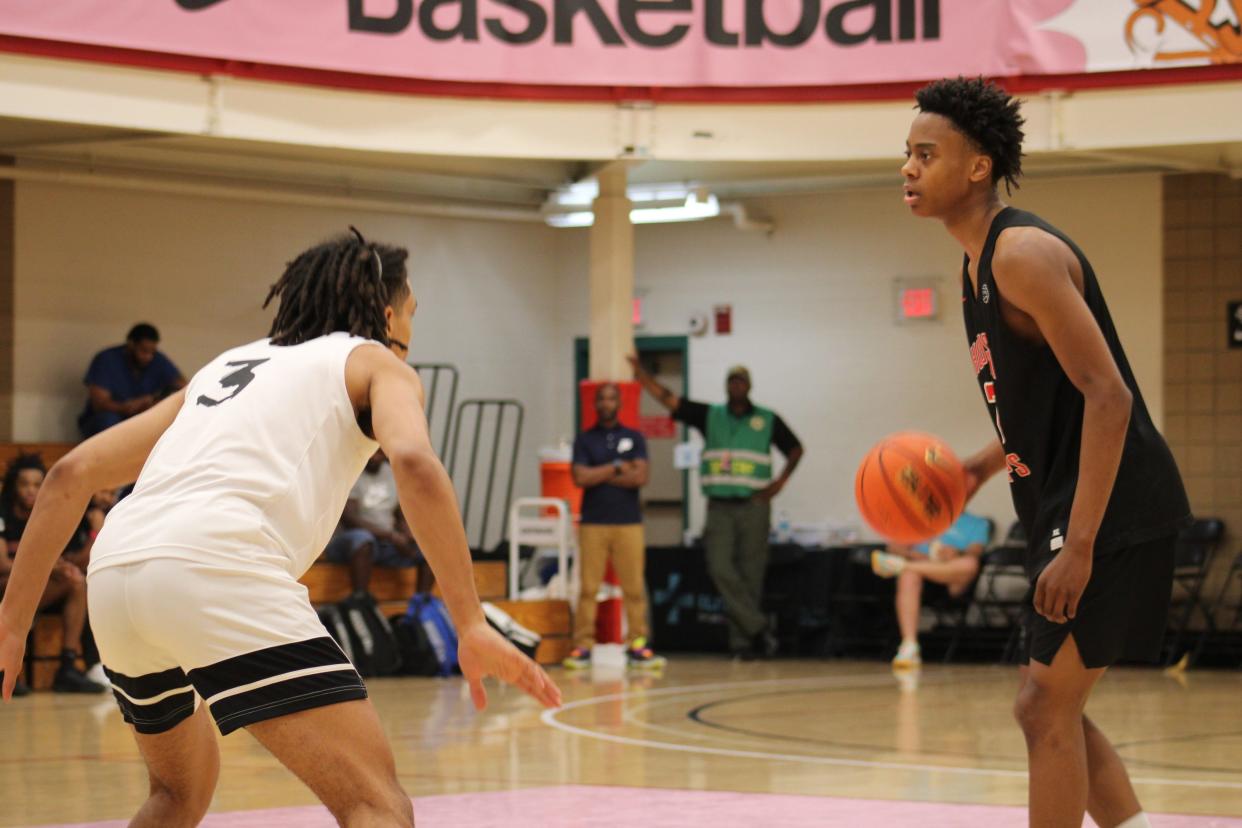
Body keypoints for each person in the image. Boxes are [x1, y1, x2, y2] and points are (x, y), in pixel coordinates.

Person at [0, 229, 560, 827]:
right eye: (415, 314)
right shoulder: (375, 362)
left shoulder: (224, 368)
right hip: (218, 564)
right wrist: (470, 621)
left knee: (177, 795)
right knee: (377, 804)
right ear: (390, 314)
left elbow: (69, 473)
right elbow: (417, 464)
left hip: (118, 574)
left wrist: (11, 626)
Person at [903, 77, 1190, 828]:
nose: (907, 167)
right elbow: (1048, 402)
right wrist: (980, 465)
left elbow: (1109, 396)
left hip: (1113, 503)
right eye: (906, 153)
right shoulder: (974, 265)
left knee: (1042, 706)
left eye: (925, 154)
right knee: (1049, 708)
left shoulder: (1021, 253)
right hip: (1065, 501)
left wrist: (1082, 546)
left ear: (977, 167)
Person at [629, 358, 803, 659]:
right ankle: (759, 626)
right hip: (719, 507)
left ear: (749, 386)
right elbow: (671, 400)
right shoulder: (711, 415)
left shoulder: (767, 418)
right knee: (719, 567)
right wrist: (642, 377)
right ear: (726, 386)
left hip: (754, 506)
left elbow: (795, 448)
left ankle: (743, 644)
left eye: (741, 381)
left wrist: (779, 483)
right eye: (732, 381)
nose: (737, 385)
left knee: (751, 574)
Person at [563, 382, 664, 671]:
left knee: (633, 588)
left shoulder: (635, 438)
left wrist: (601, 472)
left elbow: (640, 477)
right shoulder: (584, 440)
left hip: (628, 522)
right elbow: (580, 478)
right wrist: (618, 467)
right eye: (602, 399)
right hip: (594, 522)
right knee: (588, 588)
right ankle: (583, 645)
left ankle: (638, 644)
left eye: (612, 399)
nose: (607, 403)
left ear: (619, 403)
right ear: (595, 404)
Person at [0, 454, 105, 694]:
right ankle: (5, 669)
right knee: (15, 582)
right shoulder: (3, 512)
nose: (30, 490)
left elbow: (69, 559)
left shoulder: (48, 515)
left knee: (76, 582)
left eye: (37, 485)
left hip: (37, 587)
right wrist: (47, 566)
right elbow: (3, 564)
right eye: (24, 484)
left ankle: (67, 667)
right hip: (6, 585)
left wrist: (62, 566)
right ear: (13, 486)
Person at [869, 511, 994, 668]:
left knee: (970, 564)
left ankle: (901, 566)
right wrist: (924, 558)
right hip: (924, 578)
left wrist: (954, 554)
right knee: (909, 575)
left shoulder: (978, 523)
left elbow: (974, 553)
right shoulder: (918, 517)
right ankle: (909, 645)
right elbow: (893, 548)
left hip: (954, 582)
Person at [323, 450, 431, 598]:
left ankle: (422, 605)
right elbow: (349, 519)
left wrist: (408, 535)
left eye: (379, 453)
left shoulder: (392, 474)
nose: (374, 457)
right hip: (348, 544)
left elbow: (399, 514)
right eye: (372, 453)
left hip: (384, 544)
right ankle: (360, 599)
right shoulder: (353, 471)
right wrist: (391, 536)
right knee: (363, 539)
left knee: (428, 549)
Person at [79, 323, 187, 438]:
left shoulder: (158, 360)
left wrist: (155, 400)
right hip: (108, 421)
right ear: (131, 344)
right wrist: (127, 407)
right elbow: (99, 404)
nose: (148, 357)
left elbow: (183, 386)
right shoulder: (106, 359)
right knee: (109, 421)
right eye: (143, 351)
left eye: (152, 352)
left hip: (141, 421)